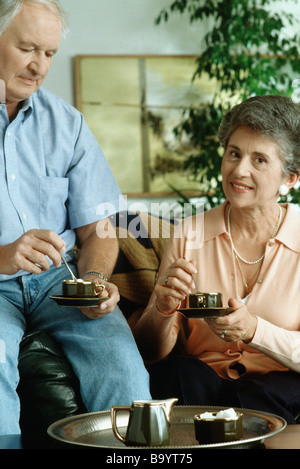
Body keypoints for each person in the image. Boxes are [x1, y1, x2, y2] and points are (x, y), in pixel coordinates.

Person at [0, 0, 151, 435]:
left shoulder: (67, 124)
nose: (39, 66)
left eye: (49, 53)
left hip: (60, 283)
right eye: (28, 48)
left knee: (123, 369)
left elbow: (99, 227)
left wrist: (97, 281)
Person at [135, 94, 300, 424]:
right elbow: (151, 353)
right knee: (177, 375)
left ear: (290, 179)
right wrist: (162, 309)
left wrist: (254, 330)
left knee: (263, 395)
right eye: (234, 154)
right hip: (201, 382)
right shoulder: (189, 233)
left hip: (278, 385)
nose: (239, 170)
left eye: (259, 160)